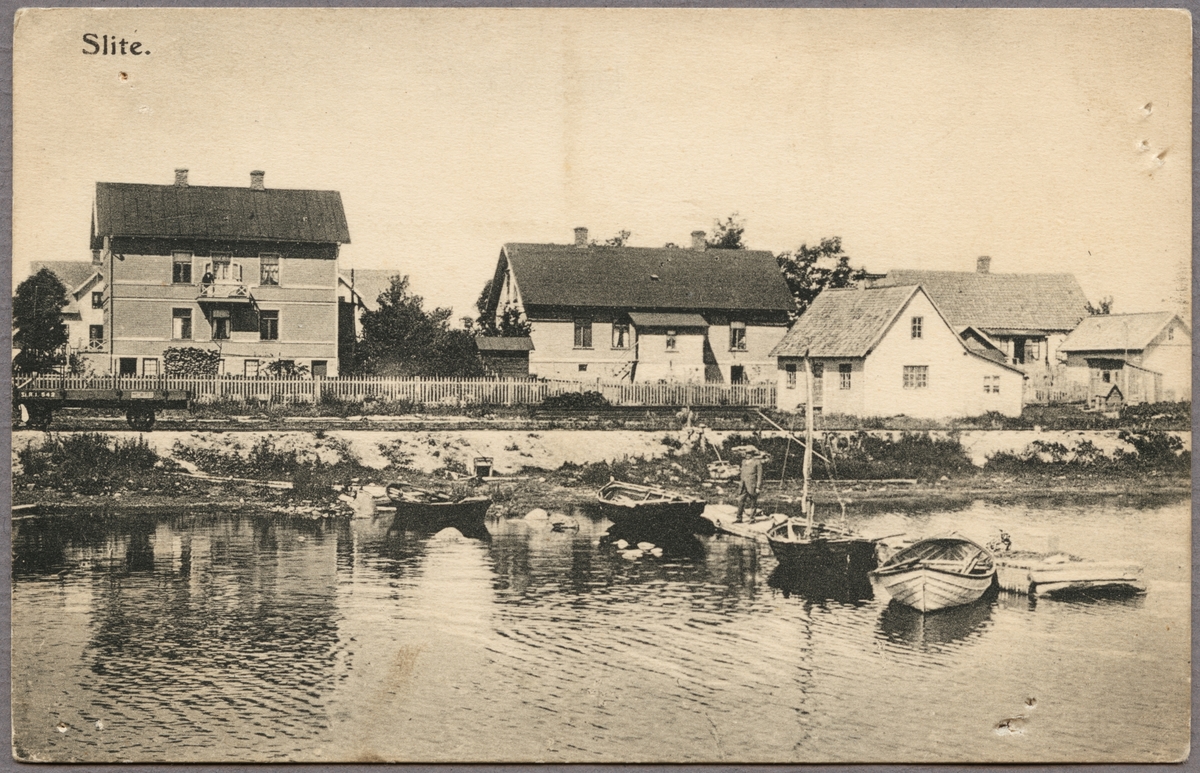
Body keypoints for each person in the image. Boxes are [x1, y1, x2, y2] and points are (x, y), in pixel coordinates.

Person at [735, 448, 764, 523]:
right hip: (743, 485)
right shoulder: (743, 461)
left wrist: (758, 487)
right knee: (740, 500)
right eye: (746, 453)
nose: (747, 455)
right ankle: (739, 518)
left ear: (752, 454)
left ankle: (752, 519)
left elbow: (760, 476)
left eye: (749, 453)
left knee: (753, 502)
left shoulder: (757, 462)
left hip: (752, 485)